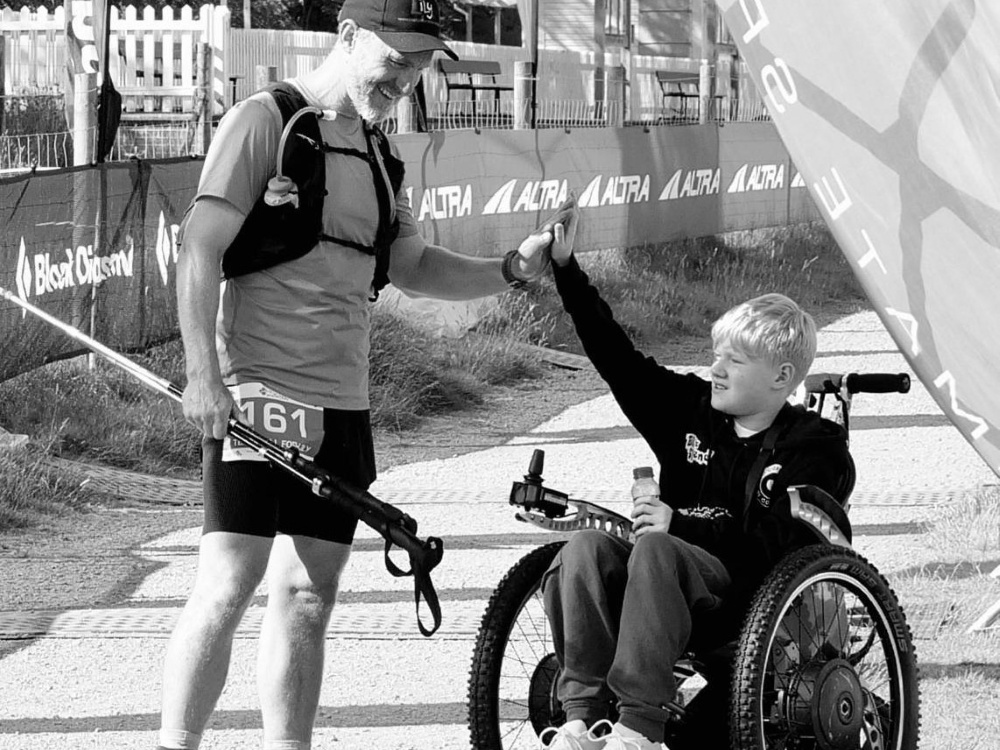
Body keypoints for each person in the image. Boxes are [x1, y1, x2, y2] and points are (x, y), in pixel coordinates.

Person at [159, 1, 565, 748]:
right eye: (396, 55)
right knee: (227, 585)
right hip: (257, 393)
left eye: (420, 63)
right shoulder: (264, 122)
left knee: (310, 598)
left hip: (342, 407)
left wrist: (511, 269)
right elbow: (200, 248)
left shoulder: (382, 156)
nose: (405, 76)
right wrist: (202, 375)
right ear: (347, 36)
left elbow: (414, 266)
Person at [538, 239, 854, 750]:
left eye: (736, 361)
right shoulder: (689, 409)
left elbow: (779, 545)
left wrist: (679, 526)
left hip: (744, 598)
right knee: (585, 548)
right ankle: (583, 719)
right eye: (716, 356)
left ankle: (638, 728)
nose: (717, 370)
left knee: (658, 547)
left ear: (781, 376)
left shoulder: (814, 447)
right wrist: (566, 268)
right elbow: (615, 357)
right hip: (659, 587)